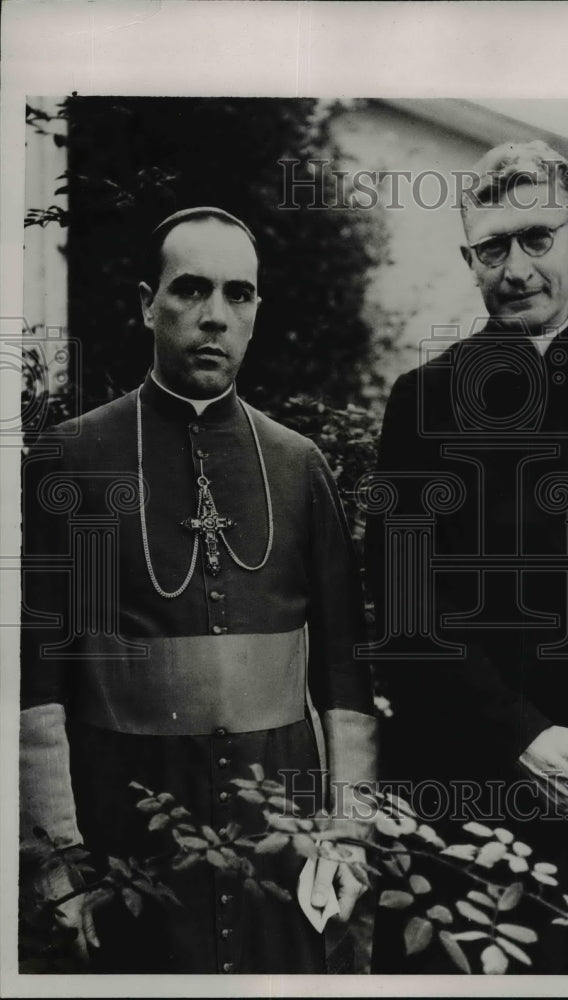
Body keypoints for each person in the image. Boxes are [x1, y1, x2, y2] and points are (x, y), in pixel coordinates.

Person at [20, 207, 377, 974]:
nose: (215, 315)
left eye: (238, 295)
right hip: (127, 833)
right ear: (147, 302)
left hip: (280, 840)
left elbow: (344, 673)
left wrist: (348, 833)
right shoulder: (73, 460)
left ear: (255, 313)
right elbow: (38, 678)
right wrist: (59, 854)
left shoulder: (298, 463)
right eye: (190, 290)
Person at [366, 142, 568, 971]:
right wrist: (524, 735)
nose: (515, 268)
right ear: (470, 259)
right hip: (471, 787)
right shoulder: (424, 402)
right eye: (491, 247)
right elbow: (405, 614)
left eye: (536, 238)